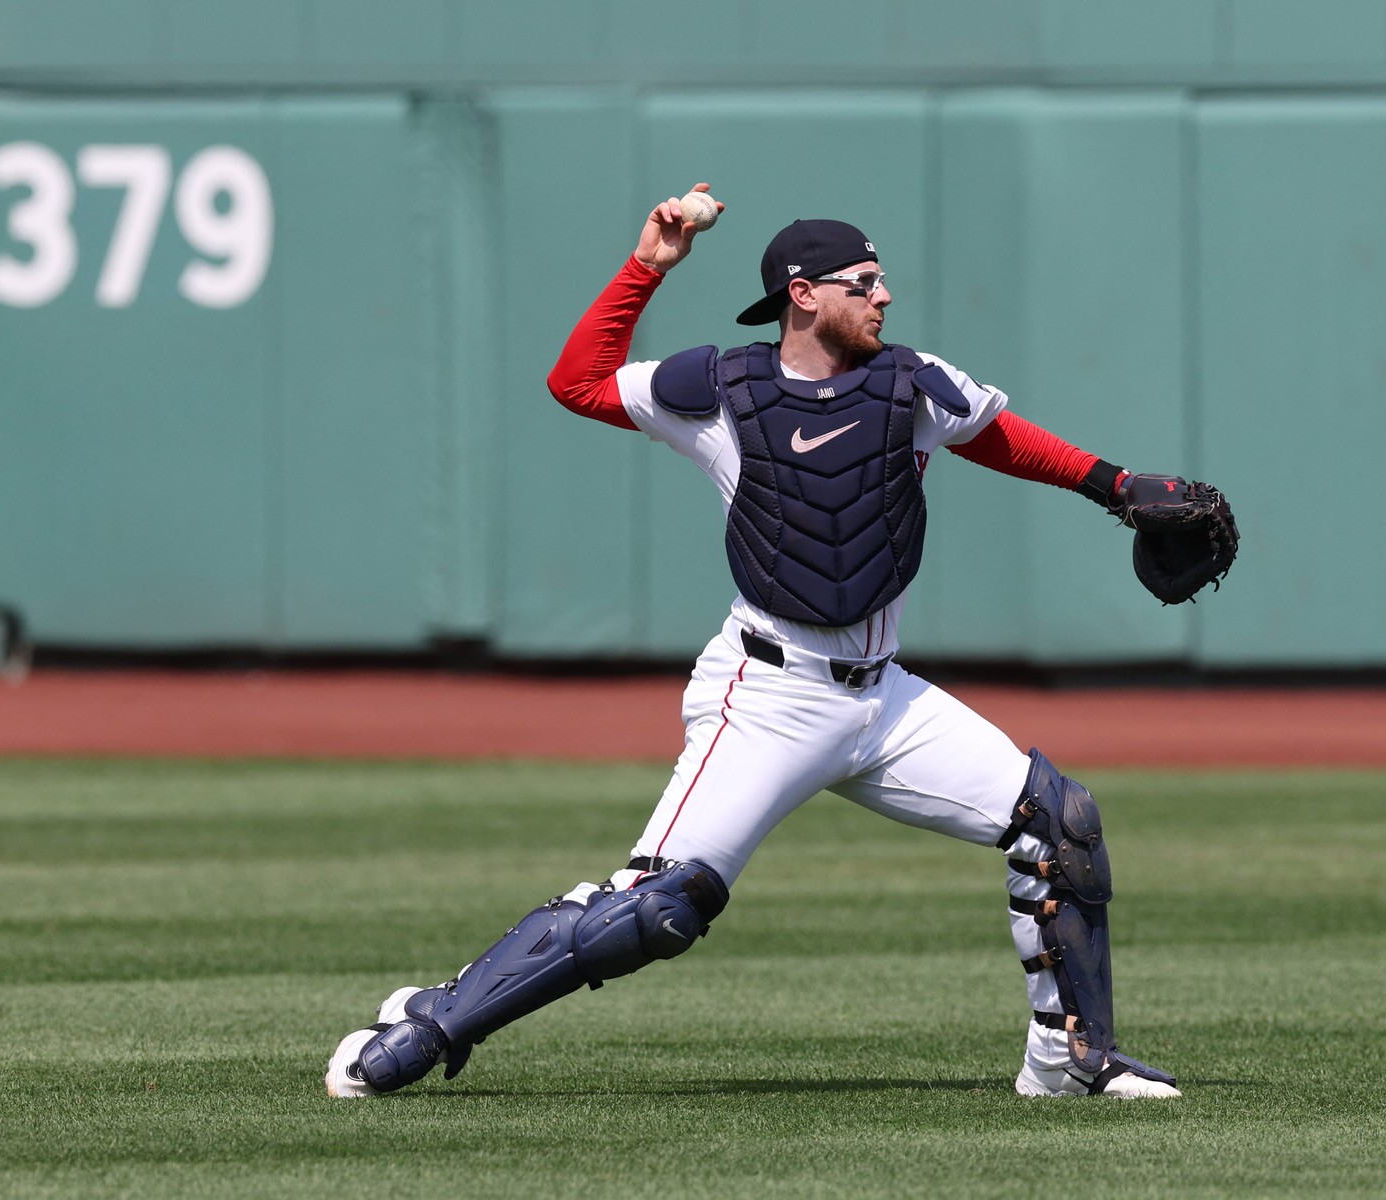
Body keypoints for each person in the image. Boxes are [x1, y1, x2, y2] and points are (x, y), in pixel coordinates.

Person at [325, 183, 1191, 1100]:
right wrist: (647, 267)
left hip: (882, 700)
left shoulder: (913, 382)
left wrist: (1115, 484)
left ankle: (1071, 1063)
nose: (884, 296)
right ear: (804, 294)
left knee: (1060, 825)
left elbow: (999, 438)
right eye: (864, 282)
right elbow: (576, 382)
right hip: (769, 694)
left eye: (883, 279)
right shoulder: (721, 388)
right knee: (656, 909)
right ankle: (428, 1025)